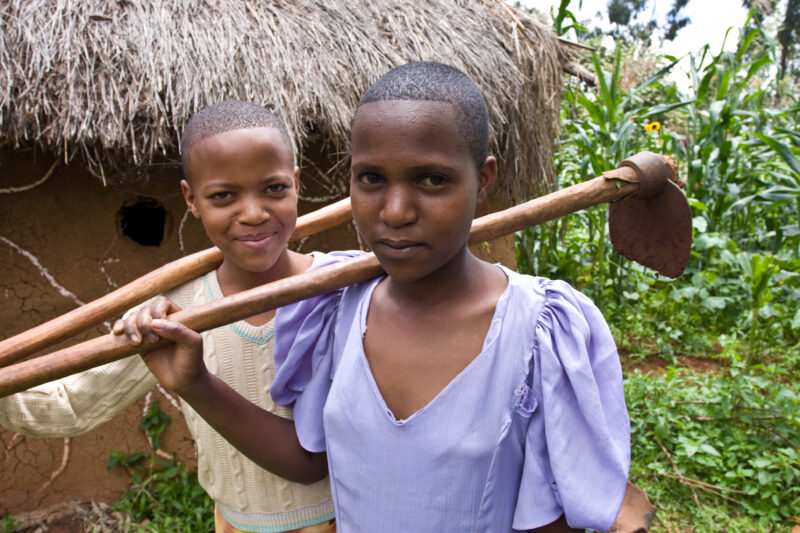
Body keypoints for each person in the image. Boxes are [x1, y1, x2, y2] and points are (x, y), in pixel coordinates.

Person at [139, 63, 631, 532]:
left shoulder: (543, 331)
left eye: (432, 180)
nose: (395, 212)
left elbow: (558, 517)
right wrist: (197, 382)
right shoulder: (335, 310)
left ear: (483, 180)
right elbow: (308, 463)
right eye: (372, 178)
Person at [0, 101, 335, 533]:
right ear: (190, 200)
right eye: (223, 196)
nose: (253, 213)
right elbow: (69, 405)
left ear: (296, 184)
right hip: (235, 525)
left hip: (343, 520)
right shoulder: (173, 312)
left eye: (273, 188)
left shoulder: (344, 285)